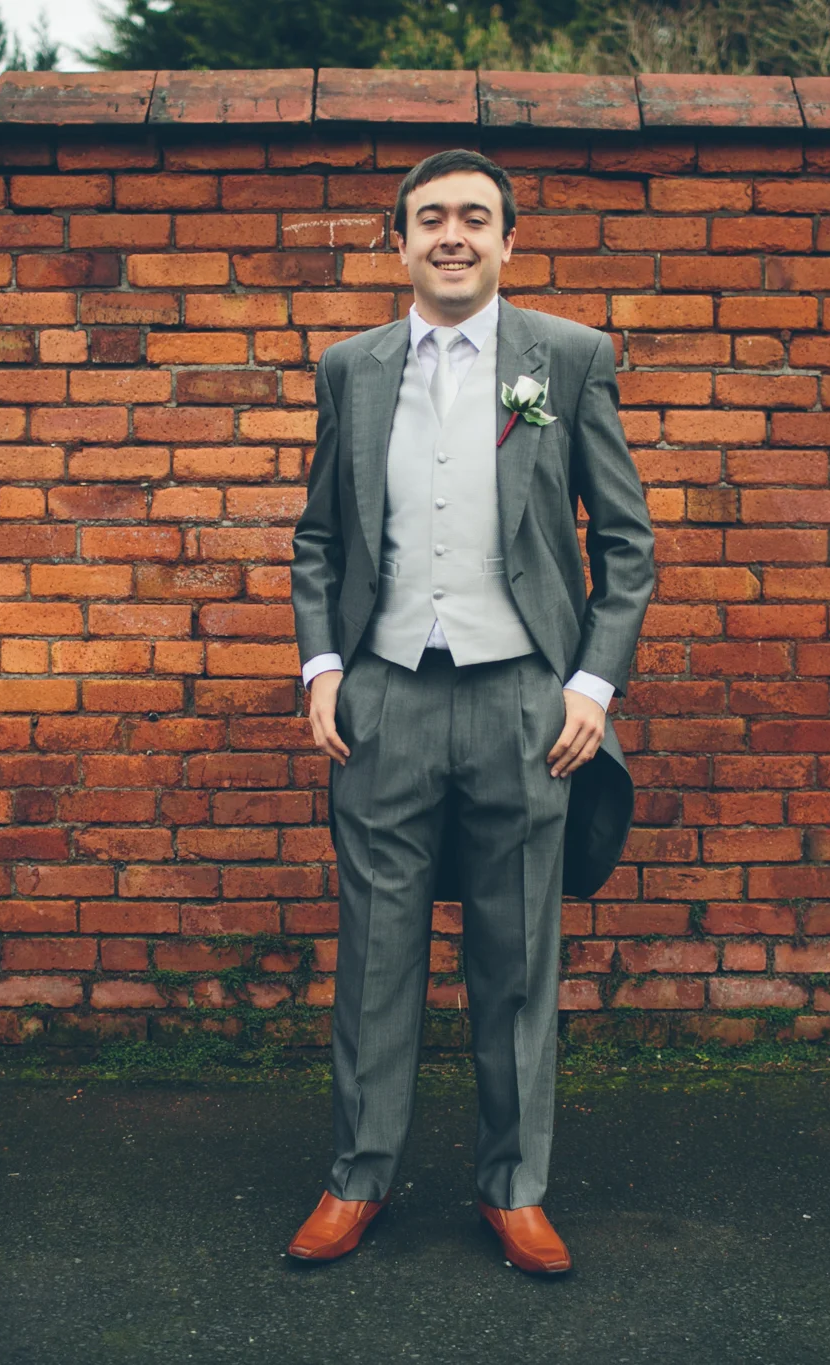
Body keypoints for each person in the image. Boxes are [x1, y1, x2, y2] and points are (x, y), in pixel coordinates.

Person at [284, 149, 656, 1276]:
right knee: (374, 954)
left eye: (475, 218)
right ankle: (357, 1179)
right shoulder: (349, 368)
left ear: (508, 242)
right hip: (385, 696)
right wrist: (322, 666)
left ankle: (514, 1189)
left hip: (523, 700)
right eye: (432, 218)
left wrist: (590, 683)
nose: (453, 235)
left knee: (517, 955)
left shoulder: (569, 359)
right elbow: (318, 538)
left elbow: (626, 544)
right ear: (397, 241)